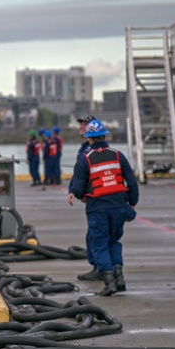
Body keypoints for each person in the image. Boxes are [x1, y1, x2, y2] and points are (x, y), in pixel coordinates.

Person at [67, 120, 139, 296]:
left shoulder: (85, 158)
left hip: (97, 208)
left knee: (99, 244)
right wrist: (131, 202)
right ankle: (119, 277)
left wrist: (78, 195)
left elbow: (77, 187)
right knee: (114, 241)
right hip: (119, 206)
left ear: (90, 139)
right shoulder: (118, 155)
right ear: (104, 136)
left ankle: (109, 282)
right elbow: (132, 182)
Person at [74, 114, 99, 281]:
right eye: (81, 123)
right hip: (93, 197)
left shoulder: (92, 150)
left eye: (84, 124)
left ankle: (101, 268)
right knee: (94, 234)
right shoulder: (84, 148)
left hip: (97, 197)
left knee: (96, 234)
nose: (81, 127)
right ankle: (102, 267)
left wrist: (80, 192)